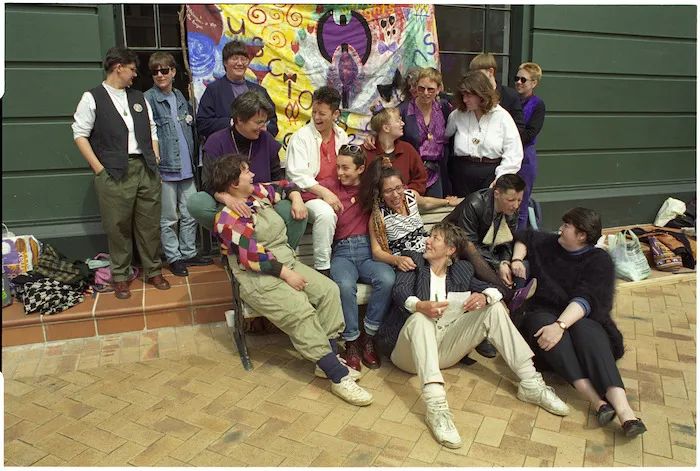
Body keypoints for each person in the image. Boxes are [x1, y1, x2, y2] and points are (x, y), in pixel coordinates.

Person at [375, 221, 569, 448]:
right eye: (430, 236)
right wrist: (420, 306)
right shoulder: (414, 261)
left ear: (450, 250)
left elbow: (494, 289)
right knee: (420, 318)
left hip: (444, 349)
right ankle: (436, 406)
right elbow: (400, 291)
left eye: (435, 238)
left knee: (493, 307)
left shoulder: (462, 270)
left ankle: (530, 383)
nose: (427, 241)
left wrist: (485, 296)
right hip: (407, 352)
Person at [211, 153, 373, 406]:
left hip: (288, 261)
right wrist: (286, 274)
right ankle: (338, 377)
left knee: (329, 291)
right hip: (258, 277)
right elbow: (251, 256)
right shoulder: (227, 218)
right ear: (233, 183)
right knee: (300, 312)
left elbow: (287, 186)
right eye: (246, 171)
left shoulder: (257, 193)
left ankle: (326, 359)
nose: (252, 174)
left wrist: (296, 198)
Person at [507, 208, 647, 438]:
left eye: (566, 226)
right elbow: (525, 236)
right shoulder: (549, 243)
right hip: (544, 310)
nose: (560, 229)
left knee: (586, 330)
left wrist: (560, 326)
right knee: (542, 325)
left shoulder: (599, 261)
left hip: (582, 315)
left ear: (582, 235)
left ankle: (625, 412)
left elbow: (587, 299)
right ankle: (596, 401)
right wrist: (515, 260)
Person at [363, 158, 535, 314]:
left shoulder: (410, 196)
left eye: (398, 188)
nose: (395, 195)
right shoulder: (378, 216)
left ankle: (498, 297)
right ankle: (507, 295)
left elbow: (427, 202)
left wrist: (448, 202)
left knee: (463, 268)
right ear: (380, 193)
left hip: (429, 246)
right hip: (409, 258)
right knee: (460, 261)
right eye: (388, 191)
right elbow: (376, 252)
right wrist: (396, 260)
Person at [72, 46, 170, 300]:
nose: (135, 75)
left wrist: (155, 156)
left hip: (145, 168)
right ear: (118, 67)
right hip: (114, 172)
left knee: (149, 224)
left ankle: (154, 270)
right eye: (132, 70)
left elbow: (151, 129)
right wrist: (99, 170)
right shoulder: (92, 97)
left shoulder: (138, 97)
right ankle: (121, 276)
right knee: (118, 227)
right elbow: (79, 134)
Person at [186, 91, 307, 248]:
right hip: (229, 203)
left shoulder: (267, 140)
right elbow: (208, 184)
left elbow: (278, 179)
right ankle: (236, 250)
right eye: (258, 123)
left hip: (264, 202)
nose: (263, 128)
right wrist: (229, 200)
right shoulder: (216, 141)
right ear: (240, 120)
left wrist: (296, 198)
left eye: (265, 123)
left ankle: (281, 256)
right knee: (197, 202)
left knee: (295, 212)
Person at [444, 173, 536, 360]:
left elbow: (506, 242)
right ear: (496, 194)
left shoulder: (511, 209)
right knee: (472, 270)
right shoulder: (474, 204)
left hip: (486, 251)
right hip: (454, 247)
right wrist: (497, 264)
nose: (515, 205)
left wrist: (504, 262)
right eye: (511, 199)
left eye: (519, 200)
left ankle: (515, 324)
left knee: (521, 267)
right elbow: (468, 244)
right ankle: (507, 296)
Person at [327, 145, 395, 371]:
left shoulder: (370, 189)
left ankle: (368, 336)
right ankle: (352, 342)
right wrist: (323, 194)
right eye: (338, 167)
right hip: (342, 251)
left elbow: (386, 172)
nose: (340, 173)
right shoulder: (331, 186)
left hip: (368, 250)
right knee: (345, 285)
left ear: (361, 169)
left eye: (346, 168)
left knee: (386, 278)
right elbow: (301, 189)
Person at [144, 52, 212, 278]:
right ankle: (173, 257)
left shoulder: (181, 97)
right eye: (155, 72)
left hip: (187, 167)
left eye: (164, 70)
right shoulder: (148, 99)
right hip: (166, 169)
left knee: (190, 212)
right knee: (169, 218)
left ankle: (189, 252)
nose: (160, 75)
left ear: (173, 72)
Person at [285, 86, 349, 276]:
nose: (317, 118)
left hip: (336, 191)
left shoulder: (341, 136)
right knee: (326, 214)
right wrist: (325, 193)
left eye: (322, 114)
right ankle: (323, 268)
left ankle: (348, 258)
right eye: (314, 113)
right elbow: (297, 175)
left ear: (335, 114)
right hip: (308, 195)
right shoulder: (301, 137)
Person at [366, 68, 453, 197]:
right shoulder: (404, 110)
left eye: (431, 89)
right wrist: (374, 136)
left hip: (437, 172)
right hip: (412, 172)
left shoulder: (444, 108)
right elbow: (387, 127)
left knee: (436, 212)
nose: (425, 93)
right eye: (421, 88)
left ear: (439, 89)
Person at [445, 70, 523, 197]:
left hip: (490, 175)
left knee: (486, 214)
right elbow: (444, 137)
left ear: (481, 94)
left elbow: (514, 153)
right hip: (461, 175)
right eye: (463, 95)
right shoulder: (457, 115)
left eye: (469, 95)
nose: (465, 100)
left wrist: (500, 178)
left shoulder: (502, 117)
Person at [196, 39, 278, 140]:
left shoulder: (260, 91)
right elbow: (202, 124)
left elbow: (273, 123)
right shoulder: (214, 90)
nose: (240, 63)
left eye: (243, 59)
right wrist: (231, 123)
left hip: (256, 149)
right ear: (225, 63)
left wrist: (263, 128)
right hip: (226, 150)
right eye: (234, 59)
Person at [364, 106, 427, 195]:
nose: (403, 124)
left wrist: (405, 192)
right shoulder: (365, 151)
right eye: (398, 121)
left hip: (403, 203)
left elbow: (420, 178)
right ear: (386, 128)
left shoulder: (407, 149)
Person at [514, 62, 546, 231]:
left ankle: (518, 242)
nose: (519, 82)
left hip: (525, 156)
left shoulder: (537, 105)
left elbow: (531, 132)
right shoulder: (509, 99)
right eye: (517, 78)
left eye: (523, 80)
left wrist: (510, 141)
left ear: (534, 83)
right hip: (507, 154)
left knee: (521, 202)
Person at [469, 53, 526, 143]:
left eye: (478, 73)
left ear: (491, 72)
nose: (475, 78)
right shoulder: (472, 95)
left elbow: (519, 126)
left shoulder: (510, 95)